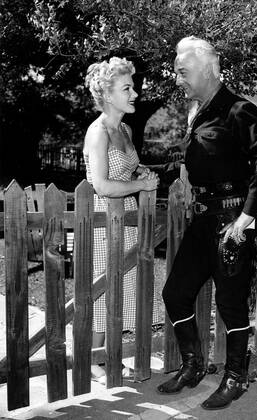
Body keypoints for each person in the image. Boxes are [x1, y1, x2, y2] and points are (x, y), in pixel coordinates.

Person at [157, 37, 257, 410]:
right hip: (202, 217)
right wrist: (180, 178)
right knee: (175, 293)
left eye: (183, 71)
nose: (178, 78)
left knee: (231, 304)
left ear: (207, 69)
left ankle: (236, 377)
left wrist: (248, 216)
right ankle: (193, 365)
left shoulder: (238, 110)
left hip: (232, 221)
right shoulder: (198, 112)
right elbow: (203, 162)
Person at [83, 57, 160, 383]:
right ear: (107, 93)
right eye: (127, 88)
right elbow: (100, 184)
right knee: (102, 293)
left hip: (125, 217)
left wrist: (138, 171)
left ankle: (110, 358)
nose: (135, 94)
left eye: (133, 87)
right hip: (103, 221)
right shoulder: (98, 133)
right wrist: (141, 185)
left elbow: (124, 169)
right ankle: (92, 363)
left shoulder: (125, 129)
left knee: (121, 292)